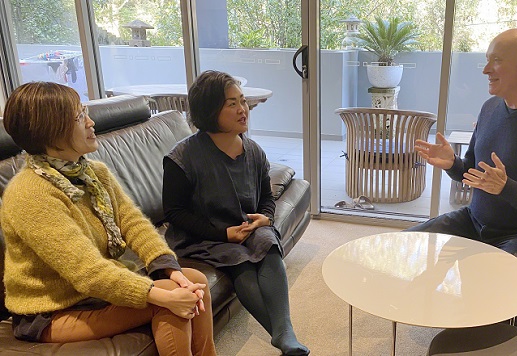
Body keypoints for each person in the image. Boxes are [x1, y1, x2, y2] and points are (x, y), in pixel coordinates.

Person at [0, 82, 216, 356]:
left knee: (192, 280)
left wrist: (169, 268)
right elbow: (87, 271)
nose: (91, 122)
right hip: (52, 312)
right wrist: (166, 294)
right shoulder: (31, 194)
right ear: (50, 131)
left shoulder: (93, 172)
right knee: (169, 299)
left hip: (94, 295)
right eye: (79, 117)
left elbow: (133, 224)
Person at [408, 28, 517, 341]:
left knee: (506, 284)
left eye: (496, 61)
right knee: (409, 245)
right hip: (475, 220)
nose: (486, 69)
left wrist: (508, 188)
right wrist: (452, 164)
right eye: (487, 61)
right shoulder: (490, 108)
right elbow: (475, 174)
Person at [162, 70, 309, 356]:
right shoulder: (182, 157)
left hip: (245, 228)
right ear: (209, 109)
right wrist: (222, 233)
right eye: (232, 104)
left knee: (267, 241)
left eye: (242, 101)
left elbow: (267, 198)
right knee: (238, 259)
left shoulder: (253, 151)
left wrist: (265, 217)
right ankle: (284, 334)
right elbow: (174, 212)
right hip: (203, 235)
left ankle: (284, 332)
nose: (242, 110)